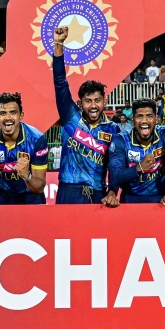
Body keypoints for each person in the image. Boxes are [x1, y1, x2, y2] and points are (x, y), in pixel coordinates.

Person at [51, 26, 120, 205]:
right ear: (80, 104)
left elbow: (116, 166)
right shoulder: (70, 116)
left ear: (104, 102)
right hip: (68, 190)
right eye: (88, 101)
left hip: (97, 193)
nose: (94, 105)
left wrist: (112, 191)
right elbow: (59, 82)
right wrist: (59, 44)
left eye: (97, 100)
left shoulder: (114, 129)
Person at [0, 92, 48, 204]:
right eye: (3, 113)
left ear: (21, 115)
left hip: (30, 194)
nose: (8, 118)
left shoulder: (37, 140)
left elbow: (39, 188)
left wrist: (27, 176)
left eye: (13, 113)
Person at [108, 98, 165, 204]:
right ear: (132, 120)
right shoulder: (121, 140)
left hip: (161, 200)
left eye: (149, 116)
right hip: (130, 200)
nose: (144, 121)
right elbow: (115, 176)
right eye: (139, 116)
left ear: (156, 119)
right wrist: (139, 167)